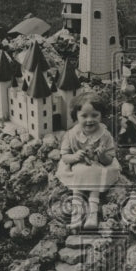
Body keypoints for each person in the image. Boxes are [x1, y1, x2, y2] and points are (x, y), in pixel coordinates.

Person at [56, 92, 121, 230]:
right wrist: (74, 157)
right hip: (77, 165)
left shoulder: (105, 135)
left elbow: (109, 159)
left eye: (94, 115)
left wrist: (102, 155)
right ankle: (76, 214)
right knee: (79, 177)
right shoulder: (72, 134)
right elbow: (65, 156)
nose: (89, 120)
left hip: (98, 165)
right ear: (76, 117)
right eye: (84, 116)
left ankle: (92, 214)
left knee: (96, 174)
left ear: (101, 115)